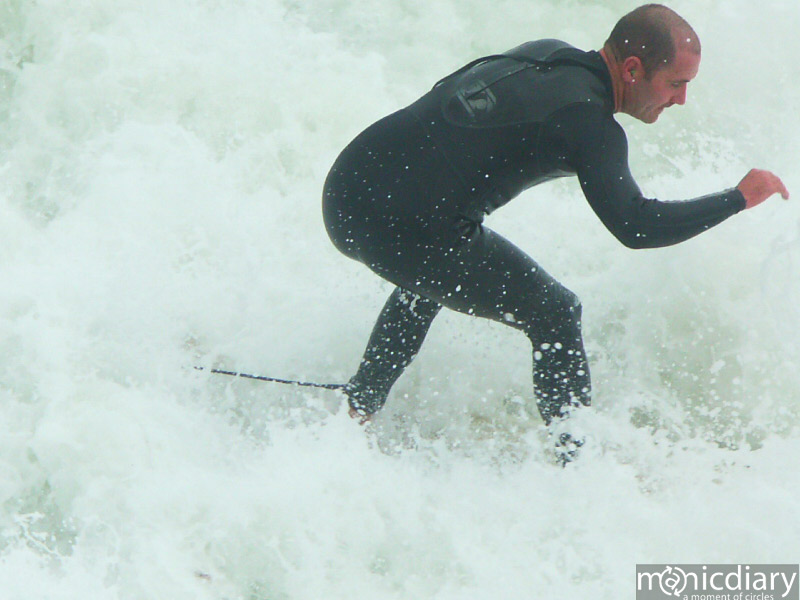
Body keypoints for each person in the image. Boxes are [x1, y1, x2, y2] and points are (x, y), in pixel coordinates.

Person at [321, 4, 789, 450]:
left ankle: (357, 409)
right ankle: (576, 464)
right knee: (556, 313)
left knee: (431, 270)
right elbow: (636, 226)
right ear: (631, 70)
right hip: (392, 224)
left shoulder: (547, 52)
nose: (682, 99)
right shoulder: (589, 124)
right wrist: (736, 198)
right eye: (675, 84)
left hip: (348, 189)